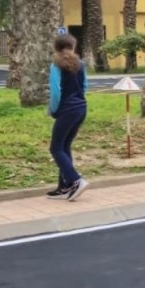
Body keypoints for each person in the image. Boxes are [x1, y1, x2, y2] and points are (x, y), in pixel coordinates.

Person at [47, 34, 89, 201]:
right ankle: (64, 187)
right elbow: (84, 86)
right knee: (65, 146)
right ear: (73, 46)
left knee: (55, 147)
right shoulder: (80, 64)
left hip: (66, 110)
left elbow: (56, 92)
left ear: (56, 47)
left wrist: (53, 110)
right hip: (81, 108)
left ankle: (75, 180)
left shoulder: (55, 65)